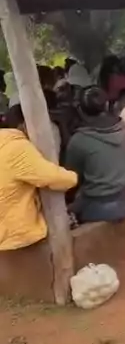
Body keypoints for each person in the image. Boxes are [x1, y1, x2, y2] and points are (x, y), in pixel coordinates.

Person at [0, 108, 77, 251]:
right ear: (24, 124)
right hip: (14, 235)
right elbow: (51, 177)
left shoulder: (4, 144)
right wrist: (75, 176)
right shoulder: (17, 148)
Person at [65, 87, 125, 223]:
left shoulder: (79, 140)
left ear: (80, 109)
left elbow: (70, 180)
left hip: (101, 206)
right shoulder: (123, 126)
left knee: (67, 212)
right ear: (107, 104)